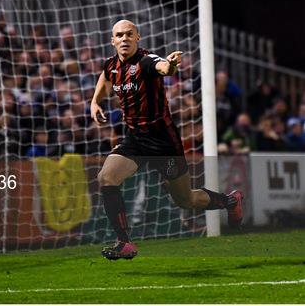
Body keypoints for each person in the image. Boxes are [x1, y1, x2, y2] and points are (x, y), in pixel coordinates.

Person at [90, 20, 244, 261]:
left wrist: (170, 65)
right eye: (119, 35)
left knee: (185, 199)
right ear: (113, 40)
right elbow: (104, 78)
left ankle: (230, 201)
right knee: (106, 177)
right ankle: (124, 242)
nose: (124, 39)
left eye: (129, 34)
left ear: (137, 37)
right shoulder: (111, 65)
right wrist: (95, 101)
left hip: (164, 143)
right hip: (136, 139)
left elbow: (163, 68)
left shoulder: (145, 60)